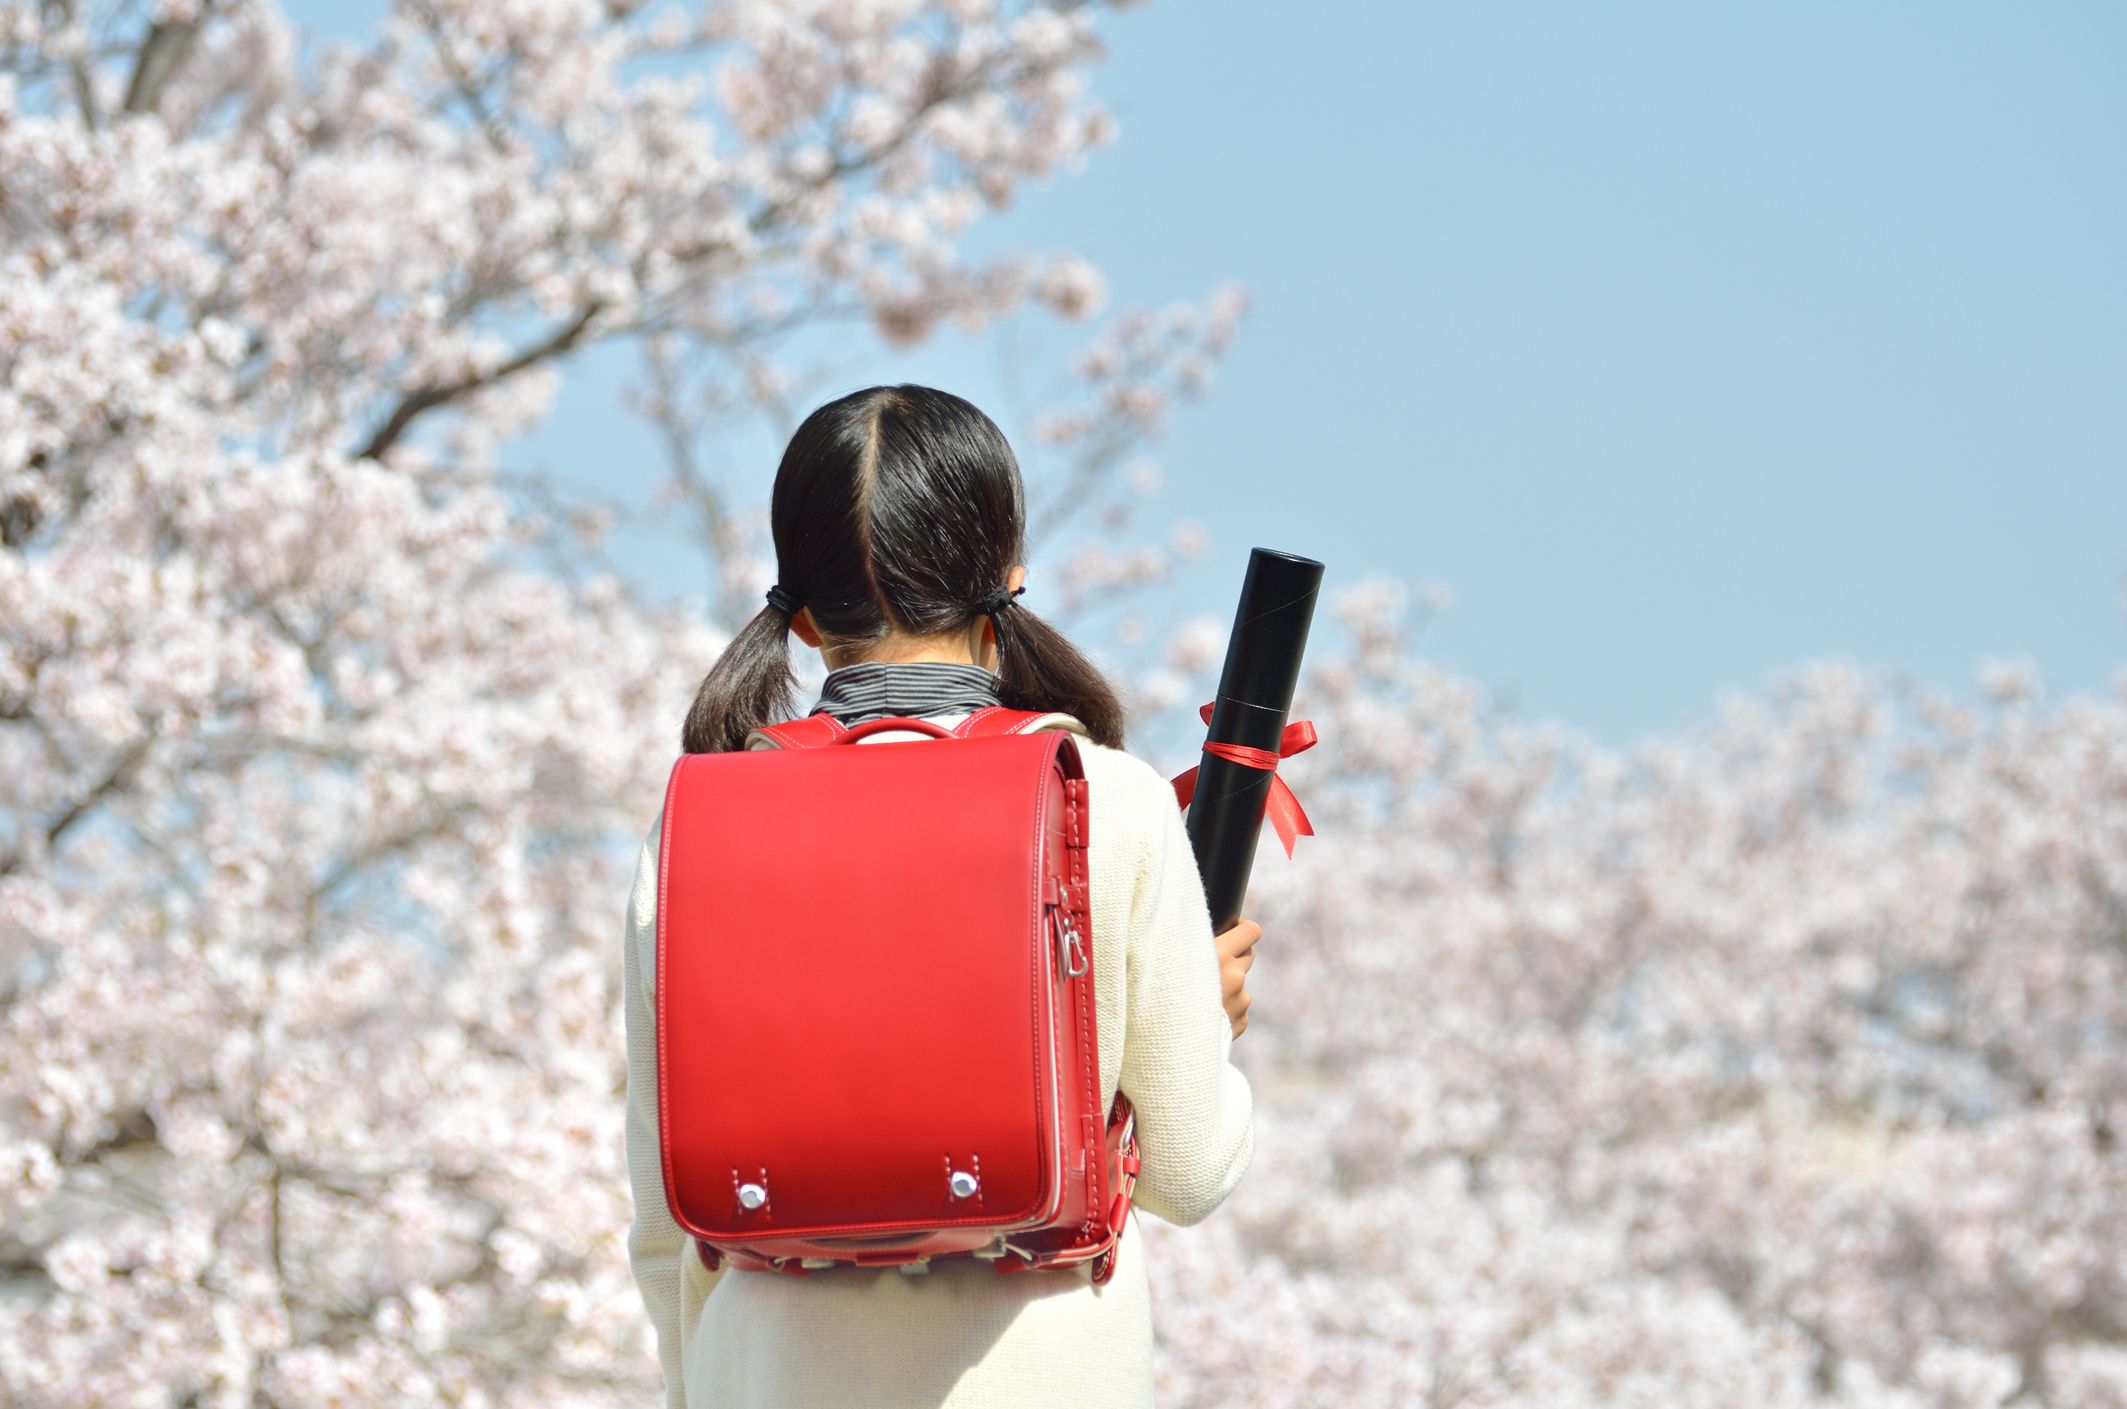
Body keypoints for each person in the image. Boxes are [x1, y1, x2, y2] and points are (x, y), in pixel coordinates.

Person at [620, 383, 1261, 1407]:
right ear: (1007, 575)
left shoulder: (698, 816)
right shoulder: (1106, 795)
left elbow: (670, 1224)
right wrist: (1208, 1028)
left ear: (804, 608)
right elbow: (1191, 1167)